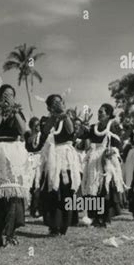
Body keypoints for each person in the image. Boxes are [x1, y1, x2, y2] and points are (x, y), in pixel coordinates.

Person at [0, 84, 30, 247]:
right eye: (5, 95)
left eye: (11, 95)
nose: (8, 98)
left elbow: (23, 130)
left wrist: (14, 111)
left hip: (13, 155)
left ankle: (11, 234)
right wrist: (2, 108)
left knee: (13, 194)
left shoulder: (18, 113)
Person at [39, 95, 81, 236]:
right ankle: (53, 225)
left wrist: (64, 115)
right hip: (52, 156)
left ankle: (64, 225)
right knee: (52, 191)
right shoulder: (46, 119)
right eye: (54, 102)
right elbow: (45, 131)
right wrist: (54, 116)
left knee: (66, 190)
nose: (58, 104)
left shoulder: (68, 118)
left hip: (66, 158)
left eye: (60, 101)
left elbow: (70, 131)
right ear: (49, 107)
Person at [81, 103, 125, 227]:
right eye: (99, 112)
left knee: (105, 189)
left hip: (107, 160)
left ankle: (106, 218)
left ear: (108, 114)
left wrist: (112, 152)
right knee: (93, 187)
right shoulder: (93, 127)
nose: (99, 114)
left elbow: (119, 144)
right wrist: (82, 128)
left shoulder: (113, 127)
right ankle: (95, 217)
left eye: (102, 112)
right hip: (94, 160)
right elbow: (81, 136)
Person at [24, 117, 45, 218]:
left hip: (39, 158)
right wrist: (34, 133)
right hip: (30, 157)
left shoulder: (43, 135)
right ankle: (26, 207)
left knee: (38, 183)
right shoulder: (28, 134)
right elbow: (28, 142)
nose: (38, 127)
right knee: (28, 182)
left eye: (39, 125)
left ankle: (36, 208)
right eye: (35, 125)